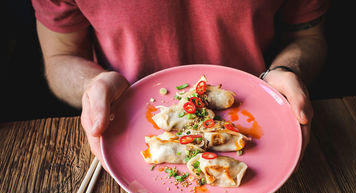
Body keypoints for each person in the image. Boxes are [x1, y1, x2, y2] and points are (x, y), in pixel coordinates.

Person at [32, 0, 329, 167]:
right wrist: (93, 84)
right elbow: (61, 55)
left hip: (263, 132)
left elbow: (307, 37)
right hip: (122, 141)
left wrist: (288, 70)